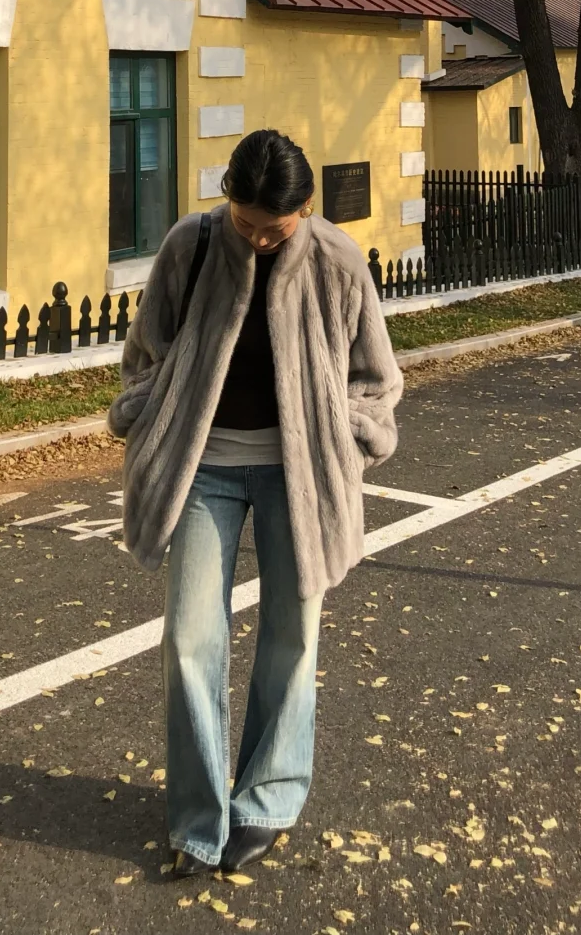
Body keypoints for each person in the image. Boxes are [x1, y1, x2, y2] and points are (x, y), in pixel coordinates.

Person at [107, 129, 403, 876]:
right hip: (201, 468)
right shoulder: (193, 244)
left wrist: (350, 432)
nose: (259, 238)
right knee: (189, 640)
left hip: (299, 476)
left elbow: (375, 373)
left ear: (305, 207)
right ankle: (196, 820)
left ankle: (267, 801)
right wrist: (146, 411)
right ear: (228, 201)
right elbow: (144, 349)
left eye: (275, 228)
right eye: (246, 222)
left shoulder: (337, 260)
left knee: (290, 640)